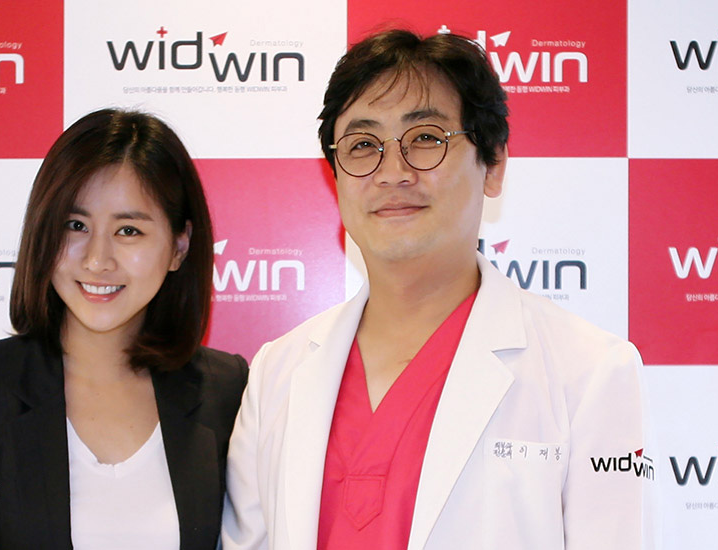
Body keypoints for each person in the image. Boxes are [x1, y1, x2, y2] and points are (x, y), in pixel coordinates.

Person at [222, 30, 658, 550]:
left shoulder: (589, 371)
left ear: (492, 164)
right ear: (334, 174)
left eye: (426, 138)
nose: (393, 173)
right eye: (362, 146)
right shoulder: (276, 371)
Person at [0, 109, 248, 550]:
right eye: (76, 226)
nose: (97, 259)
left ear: (179, 246)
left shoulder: (229, 390)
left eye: (128, 230)